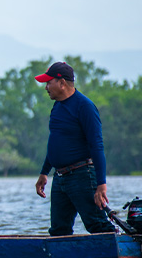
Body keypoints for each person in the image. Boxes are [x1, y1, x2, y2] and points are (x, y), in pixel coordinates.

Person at [34, 62, 115, 236]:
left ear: (61, 83)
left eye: (49, 83)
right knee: (58, 231)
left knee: (98, 225)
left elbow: (97, 146)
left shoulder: (84, 106)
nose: (46, 87)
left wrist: (101, 184)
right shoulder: (57, 106)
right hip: (60, 177)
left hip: (82, 176)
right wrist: (44, 172)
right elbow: (55, 142)